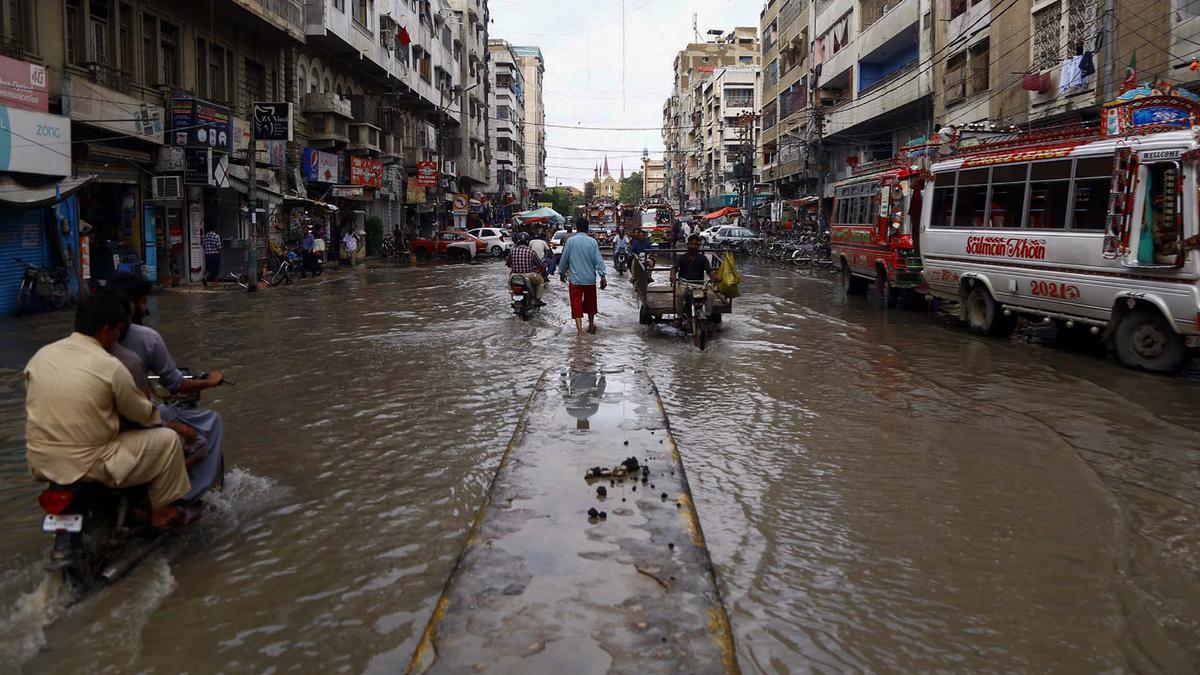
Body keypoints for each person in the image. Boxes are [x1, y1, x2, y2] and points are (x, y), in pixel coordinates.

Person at [24, 295, 194, 528]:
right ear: (106, 331)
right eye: (117, 331)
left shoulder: (40, 357)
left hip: (42, 460)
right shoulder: (110, 366)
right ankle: (162, 511)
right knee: (168, 441)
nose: (118, 338)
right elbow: (143, 414)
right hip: (90, 463)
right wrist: (171, 424)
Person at [108, 275, 225, 502]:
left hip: (96, 426)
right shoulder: (143, 341)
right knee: (207, 426)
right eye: (143, 303)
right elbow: (173, 384)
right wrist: (209, 382)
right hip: (132, 419)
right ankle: (187, 496)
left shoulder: (79, 345)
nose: (146, 309)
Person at [558, 218, 607, 335]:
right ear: (587, 228)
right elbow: (599, 261)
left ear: (577, 228)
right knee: (591, 303)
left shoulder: (571, 241)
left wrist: (561, 272)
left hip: (575, 280)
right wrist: (603, 276)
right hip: (590, 279)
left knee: (576, 304)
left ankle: (580, 331)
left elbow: (564, 259)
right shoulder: (593, 242)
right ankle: (590, 325)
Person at [671, 234, 718, 316]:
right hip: (684, 283)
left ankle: (707, 315)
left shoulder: (703, 258)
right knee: (679, 295)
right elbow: (674, 268)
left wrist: (713, 276)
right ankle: (680, 317)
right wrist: (673, 275)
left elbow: (709, 270)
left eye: (696, 244)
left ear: (699, 246)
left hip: (699, 284)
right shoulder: (681, 258)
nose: (693, 246)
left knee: (711, 295)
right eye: (691, 244)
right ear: (687, 245)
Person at [506, 233, 547, 305]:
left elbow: (508, 264)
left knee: (509, 284)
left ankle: (513, 298)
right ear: (528, 242)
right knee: (541, 281)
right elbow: (539, 264)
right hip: (529, 276)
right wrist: (543, 265)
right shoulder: (531, 252)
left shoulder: (512, 251)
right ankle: (537, 299)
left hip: (514, 276)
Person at [202, 220, 222, 285]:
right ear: (214, 229)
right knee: (216, 269)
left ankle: (205, 277)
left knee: (208, 268)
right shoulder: (216, 236)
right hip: (215, 254)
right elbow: (219, 246)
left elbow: (203, 246)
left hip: (208, 255)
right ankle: (215, 282)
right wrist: (220, 252)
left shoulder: (205, 236)